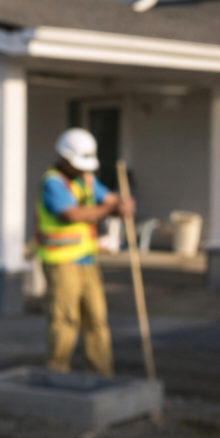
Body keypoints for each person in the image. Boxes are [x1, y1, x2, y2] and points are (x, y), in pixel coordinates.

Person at [37, 128, 135, 376]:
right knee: (65, 321)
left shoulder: (87, 180)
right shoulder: (52, 182)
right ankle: (56, 372)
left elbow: (109, 200)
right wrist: (106, 210)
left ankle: (102, 373)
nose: (82, 170)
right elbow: (72, 214)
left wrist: (121, 206)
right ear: (65, 158)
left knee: (97, 321)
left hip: (87, 261)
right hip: (61, 263)